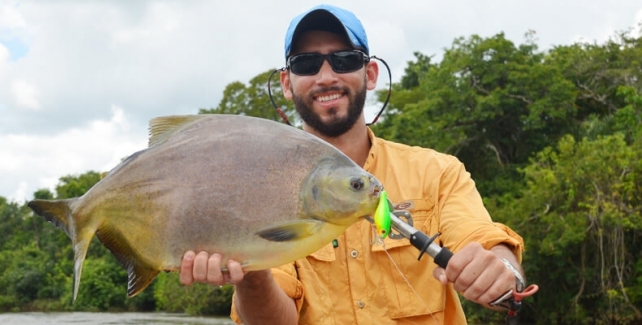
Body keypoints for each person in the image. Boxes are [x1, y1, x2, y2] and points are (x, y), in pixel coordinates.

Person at [179, 4, 525, 324]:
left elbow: (487, 245)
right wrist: (251, 271)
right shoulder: (261, 190)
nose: (326, 76)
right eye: (306, 63)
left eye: (344, 60)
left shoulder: (437, 172)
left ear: (371, 73)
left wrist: (501, 273)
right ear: (287, 83)